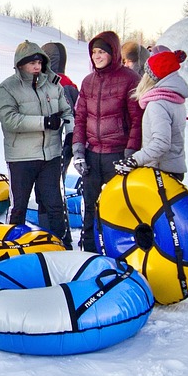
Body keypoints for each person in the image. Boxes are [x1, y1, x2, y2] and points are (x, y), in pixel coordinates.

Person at [0, 41, 74, 247]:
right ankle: (12, 247)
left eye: (39, 62)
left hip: (50, 155)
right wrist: (45, 122)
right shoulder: (7, 88)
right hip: (21, 157)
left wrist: (71, 133)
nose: (36, 66)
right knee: (18, 207)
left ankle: (58, 244)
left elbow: (67, 112)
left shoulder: (53, 85)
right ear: (20, 65)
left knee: (54, 205)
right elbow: (10, 119)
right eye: (31, 63)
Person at [72, 31, 142, 253]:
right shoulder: (88, 81)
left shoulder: (130, 79)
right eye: (94, 52)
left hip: (117, 153)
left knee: (120, 205)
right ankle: (89, 250)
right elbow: (80, 118)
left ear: (114, 52)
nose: (97, 56)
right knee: (90, 205)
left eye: (102, 52)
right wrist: (78, 151)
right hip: (93, 153)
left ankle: (121, 252)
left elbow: (136, 120)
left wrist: (130, 153)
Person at [117, 48, 188, 179]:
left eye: (147, 73)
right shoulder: (175, 98)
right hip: (172, 168)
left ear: (153, 77)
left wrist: (134, 160)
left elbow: (161, 143)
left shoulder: (158, 104)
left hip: (161, 171)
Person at [42, 41, 79, 180]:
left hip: (57, 138)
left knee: (52, 178)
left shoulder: (53, 83)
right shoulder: (69, 83)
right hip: (67, 137)